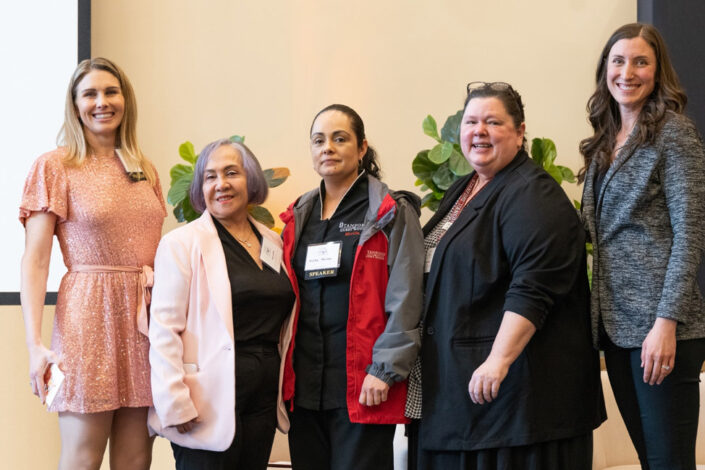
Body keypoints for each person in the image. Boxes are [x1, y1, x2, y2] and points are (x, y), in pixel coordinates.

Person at [416, 82, 605, 470]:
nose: (478, 131)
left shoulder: (533, 194)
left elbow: (534, 287)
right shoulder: (464, 187)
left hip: (514, 406)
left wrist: (498, 360)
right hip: (462, 400)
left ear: (520, 133)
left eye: (493, 122)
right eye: (471, 122)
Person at [19, 57, 166, 470]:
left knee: (137, 458)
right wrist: (34, 346)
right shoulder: (54, 165)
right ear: (75, 104)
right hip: (88, 318)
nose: (102, 102)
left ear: (125, 100)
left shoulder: (145, 168)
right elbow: (35, 261)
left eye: (111, 92)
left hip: (144, 321)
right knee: (83, 457)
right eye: (90, 94)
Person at [580, 23, 705, 470]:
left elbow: (691, 231)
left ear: (658, 71)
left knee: (670, 463)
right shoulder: (604, 139)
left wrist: (665, 322)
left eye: (640, 61)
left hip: (662, 329)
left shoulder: (674, 133)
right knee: (650, 461)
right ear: (605, 70)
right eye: (618, 61)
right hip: (615, 328)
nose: (627, 72)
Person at [279, 104, 424, 470]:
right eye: (319, 140)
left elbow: (407, 296)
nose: (327, 147)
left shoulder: (389, 211)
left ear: (361, 148)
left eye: (339, 138)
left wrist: (386, 368)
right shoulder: (299, 215)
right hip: (305, 384)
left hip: (364, 381)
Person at [148, 138, 296, 470]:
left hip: (262, 393)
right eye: (210, 176)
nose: (221, 184)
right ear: (201, 188)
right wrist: (174, 402)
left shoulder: (273, 241)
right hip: (205, 396)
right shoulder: (181, 244)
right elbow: (163, 330)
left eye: (232, 173)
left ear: (252, 181)